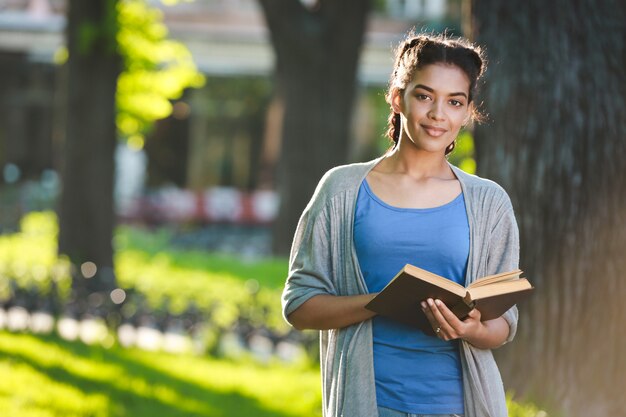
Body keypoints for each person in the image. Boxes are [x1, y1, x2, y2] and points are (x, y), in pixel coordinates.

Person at [282, 32, 520, 417]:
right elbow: (299, 306)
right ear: (398, 97)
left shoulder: (489, 202)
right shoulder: (342, 189)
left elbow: (503, 324)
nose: (438, 114)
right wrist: (383, 302)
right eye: (424, 96)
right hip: (367, 404)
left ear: (467, 111)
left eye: (454, 102)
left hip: (458, 406)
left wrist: (470, 329)